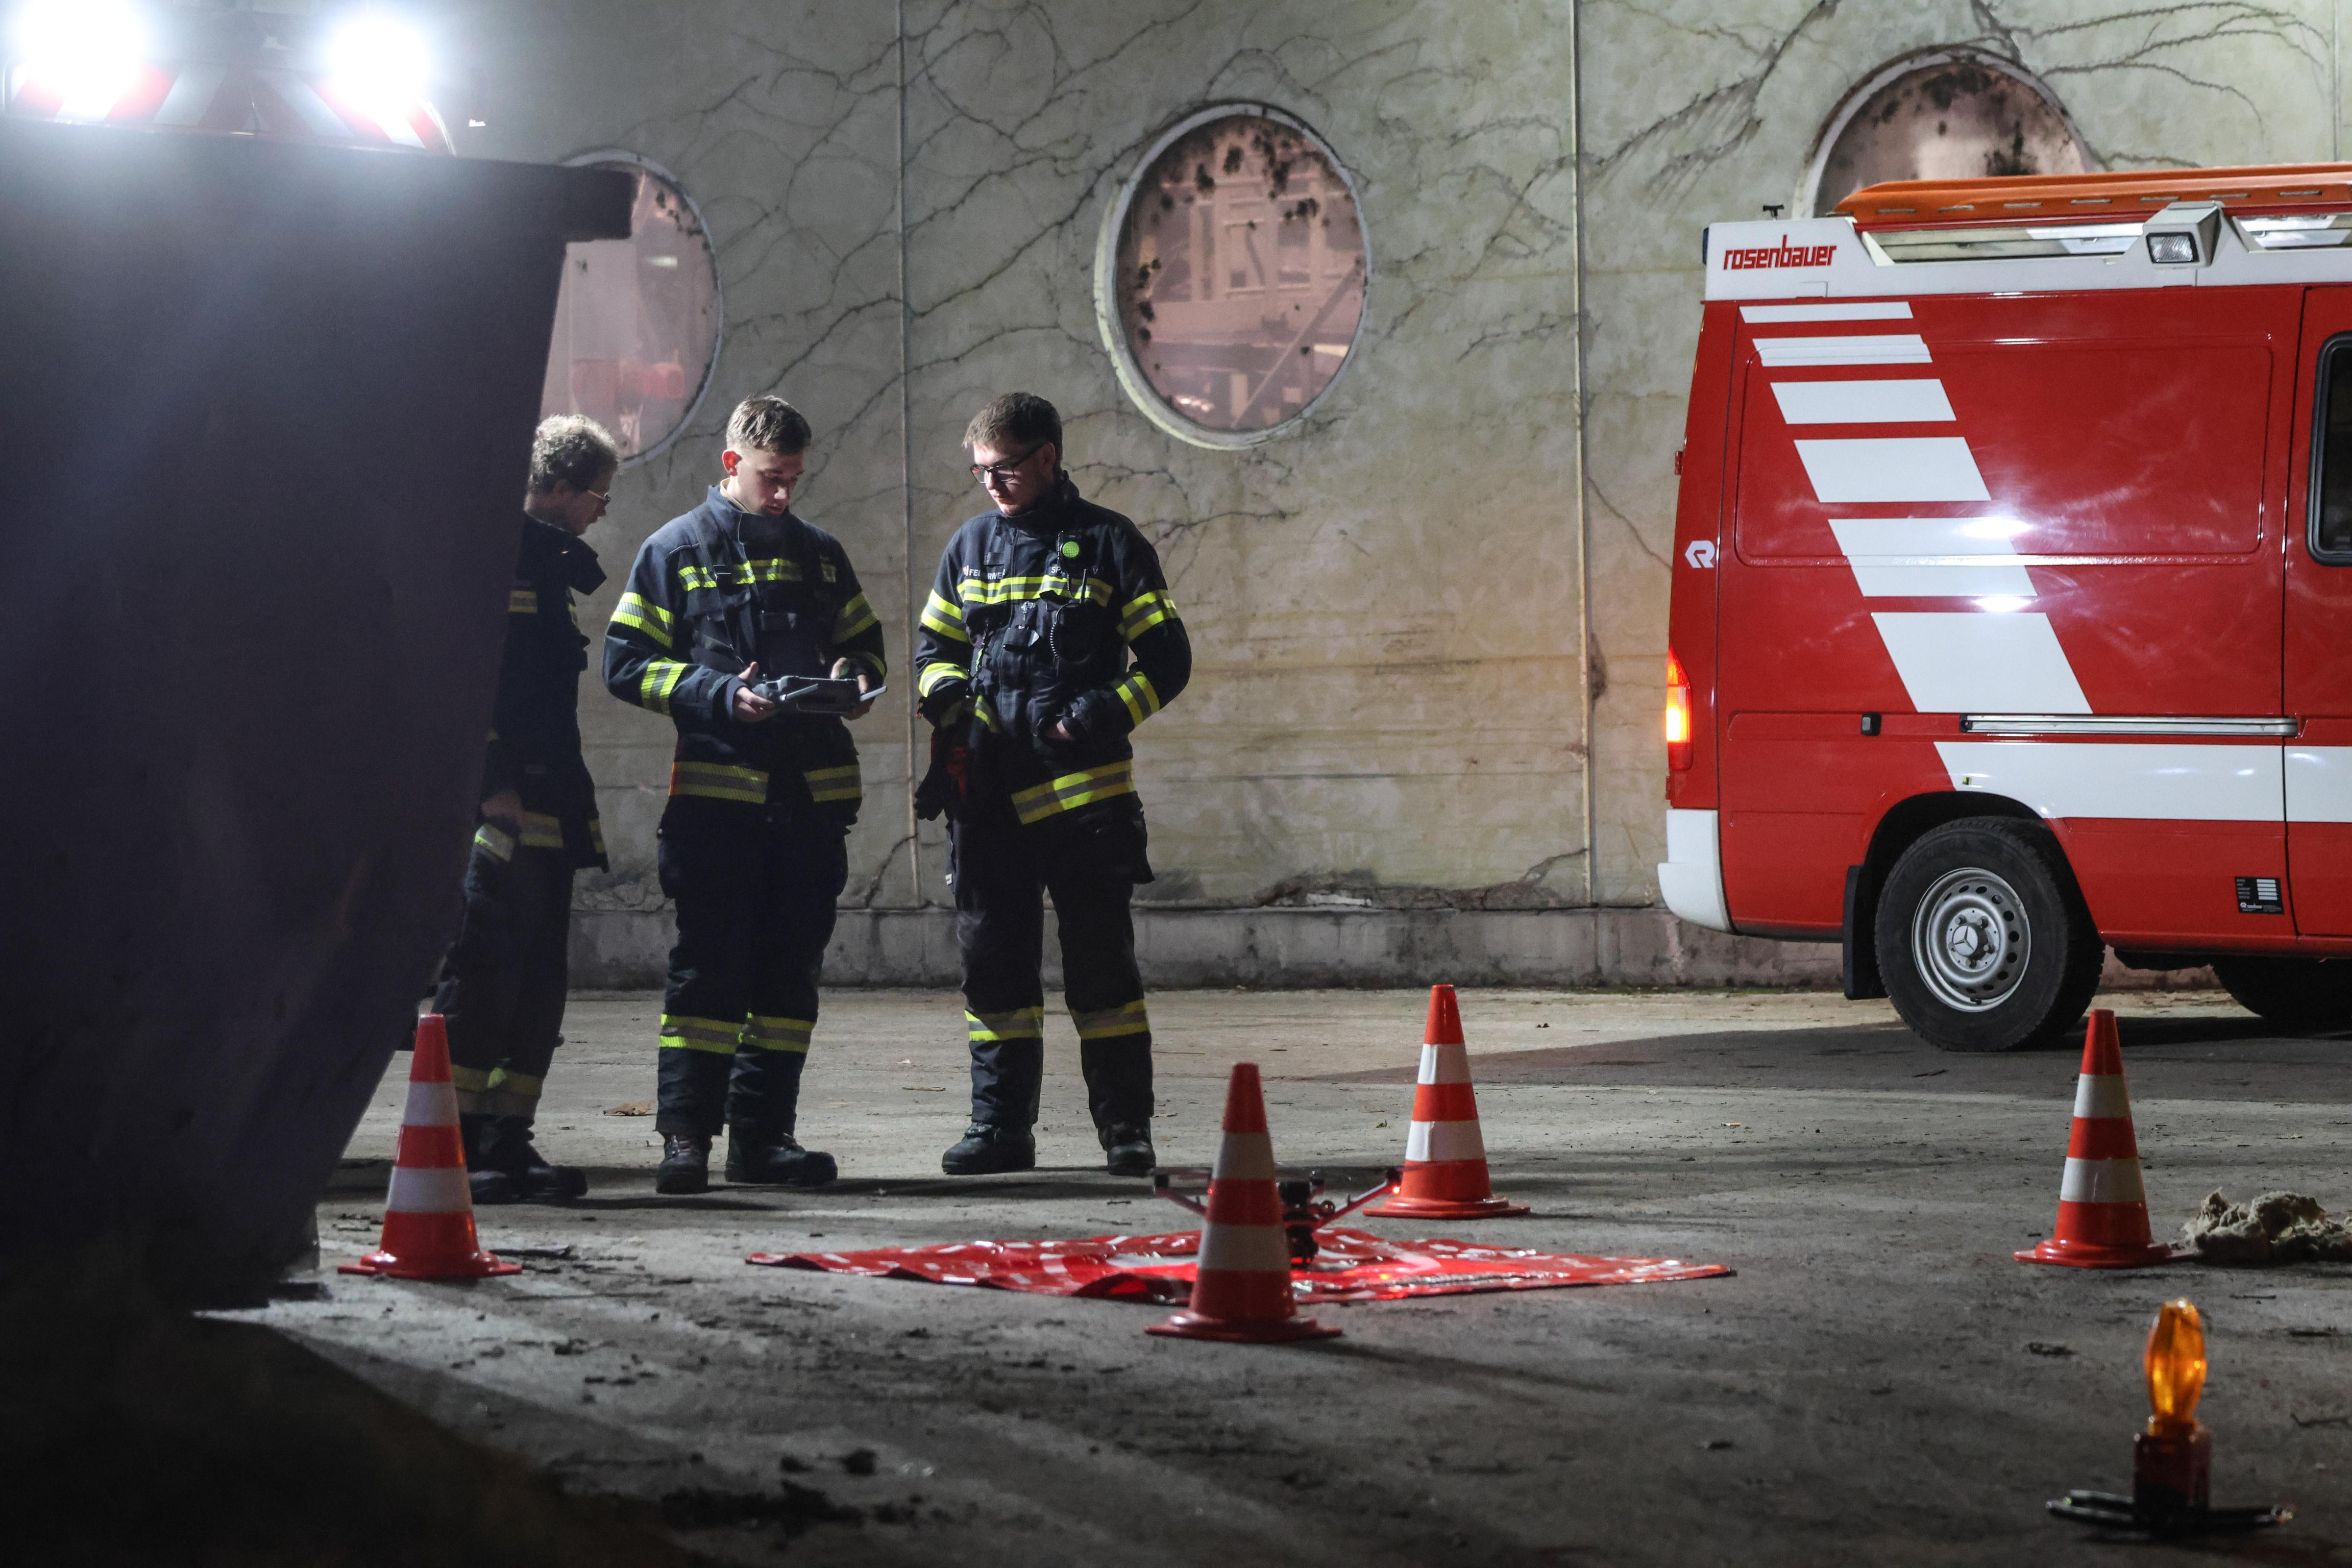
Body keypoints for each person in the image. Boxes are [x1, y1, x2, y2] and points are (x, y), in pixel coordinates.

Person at [603, 396, 883, 1195]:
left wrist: (851, 681)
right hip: (718, 811)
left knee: (788, 982)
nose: (785, 494)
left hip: (809, 808)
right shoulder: (674, 550)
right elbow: (626, 664)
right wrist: (718, 693)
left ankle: (764, 1141)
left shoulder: (822, 556)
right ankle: (685, 1139)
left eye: (795, 478)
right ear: (732, 464)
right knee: (709, 977)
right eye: (771, 478)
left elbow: (864, 645)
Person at [912, 392, 1192, 1177]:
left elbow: (1169, 664)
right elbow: (934, 646)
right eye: (980, 472)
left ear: (1047, 457)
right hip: (988, 804)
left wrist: (1102, 712)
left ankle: (1125, 1132)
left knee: (1103, 974)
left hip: (1084, 807)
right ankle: (1000, 1130)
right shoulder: (969, 548)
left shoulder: (1110, 543)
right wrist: (947, 702)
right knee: (994, 973)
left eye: (1004, 468)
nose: (993, 485)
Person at [440, 414, 617, 1204]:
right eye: (595, 495)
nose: (600, 511)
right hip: (503, 811)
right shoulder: (494, 558)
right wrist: (489, 779)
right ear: (556, 487)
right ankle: (454, 1142)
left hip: (549, 803)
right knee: (483, 976)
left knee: (538, 982)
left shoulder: (547, 568)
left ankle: (510, 1138)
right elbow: (465, 682)